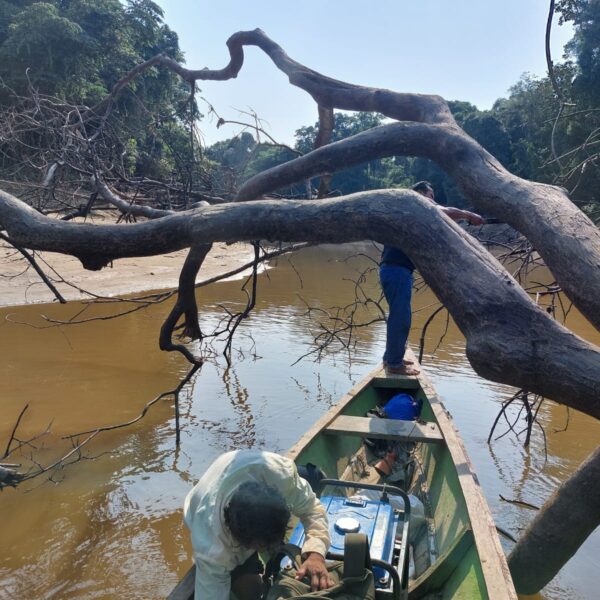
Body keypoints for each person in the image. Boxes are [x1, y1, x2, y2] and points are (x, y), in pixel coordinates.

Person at [183, 449, 332, 600]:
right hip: (201, 506)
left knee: (315, 476)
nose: (266, 549)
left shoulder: (280, 476)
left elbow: (312, 509)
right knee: (252, 592)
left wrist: (316, 554)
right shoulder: (213, 550)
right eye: (261, 547)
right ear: (241, 543)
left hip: (246, 463)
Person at [380, 181, 485, 376]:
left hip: (396, 272)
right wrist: (468, 215)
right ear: (419, 194)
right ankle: (394, 363)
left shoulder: (408, 214)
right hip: (396, 272)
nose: (433, 199)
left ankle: (391, 358)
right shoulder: (414, 205)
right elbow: (442, 211)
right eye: (431, 194)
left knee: (399, 316)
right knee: (401, 317)